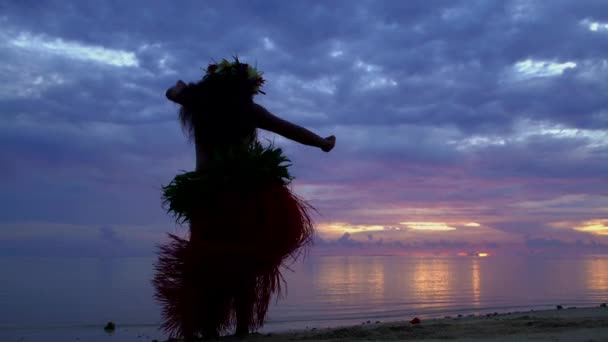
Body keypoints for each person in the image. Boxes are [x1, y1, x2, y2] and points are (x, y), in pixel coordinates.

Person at [153, 58, 335, 340]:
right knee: (244, 264)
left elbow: (171, 92)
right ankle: (240, 328)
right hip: (244, 195)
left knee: (206, 262)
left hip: (208, 195)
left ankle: (210, 328)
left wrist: (183, 87)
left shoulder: (197, 103)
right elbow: (289, 129)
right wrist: (322, 142)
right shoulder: (249, 111)